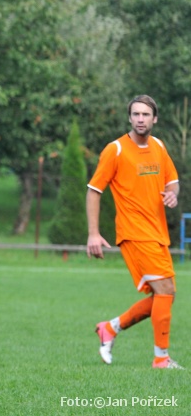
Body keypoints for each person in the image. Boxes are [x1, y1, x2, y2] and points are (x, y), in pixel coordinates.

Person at [86, 94, 183, 369]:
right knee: (165, 290)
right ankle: (161, 359)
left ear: (155, 118)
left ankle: (110, 328)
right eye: (136, 114)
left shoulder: (159, 146)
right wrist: (93, 233)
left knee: (166, 294)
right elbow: (94, 191)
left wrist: (173, 194)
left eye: (145, 114)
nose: (140, 119)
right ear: (129, 118)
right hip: (134, 233)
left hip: (157, 232)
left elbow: (173, 182)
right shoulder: (115, 150)